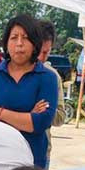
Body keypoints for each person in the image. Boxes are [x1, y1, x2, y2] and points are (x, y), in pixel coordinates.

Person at [0, 14, 59, 168]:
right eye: (14, 37)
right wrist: (27, 116)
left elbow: (40, 123)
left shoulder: (47, 77)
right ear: (6, 43)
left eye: (25, 38)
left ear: (35, 43)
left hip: (32, 163)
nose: (19, 43)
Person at [37, 19, 67, 159]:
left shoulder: (52, 77)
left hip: (41, 153)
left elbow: (60, 117)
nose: (40, 57)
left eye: (45, 52)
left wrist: (44, 110)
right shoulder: (9, 73)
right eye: (37, 51)